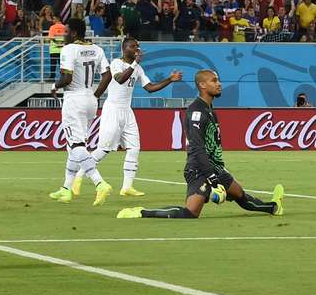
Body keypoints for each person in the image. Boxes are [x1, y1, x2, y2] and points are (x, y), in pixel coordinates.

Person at [117, 70, 284, 219]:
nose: (219, 84)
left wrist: (219, 171)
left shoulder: (210, 110)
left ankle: (274, 207)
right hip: (199, 170)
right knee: (190, 212)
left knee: (241, 195)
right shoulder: (196, 112)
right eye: (214, 80)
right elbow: (197, 148)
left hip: (216, 169)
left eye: (218, 80)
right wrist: (211, 178)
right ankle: (141, 212)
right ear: (202, 85)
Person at [72, 38, 183, 197]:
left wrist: (169, 80)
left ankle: (127, 187)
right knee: (103, 150)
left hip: (127, 111)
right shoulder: (116, 63)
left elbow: (150, 88)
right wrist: (135, 63)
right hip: (113, 110)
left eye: (138, 46)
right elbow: (120, 79)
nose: (137, 48)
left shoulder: (138, 68)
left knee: (134, 148)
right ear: (125, 49)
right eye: (133, 46)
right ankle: (78, 176)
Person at [48, 18, 113, 206]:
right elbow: (107, 75)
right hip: (90, 100)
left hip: (74, 100)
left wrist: (54, 86)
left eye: (66, 32)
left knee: (76, 145)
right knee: (74, 146)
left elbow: (67, 78)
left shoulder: (69, 50)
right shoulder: (97, 49)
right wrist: (96, 95)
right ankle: (66, 189)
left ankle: (99, 183)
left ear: (74, 33)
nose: (64, 35)